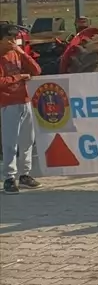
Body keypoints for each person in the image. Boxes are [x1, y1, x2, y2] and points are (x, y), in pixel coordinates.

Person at [0, 24, 41, 194]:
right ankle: (9, 177)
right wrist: (19, 77)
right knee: (10, 143)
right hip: (8, 103)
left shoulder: (16, 53)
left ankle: (25, 173)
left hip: (25, 101)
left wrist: (23, 53)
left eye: (14, 38)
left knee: (27, 140)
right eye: (8, 38)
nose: (12, 42)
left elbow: (37, 70)